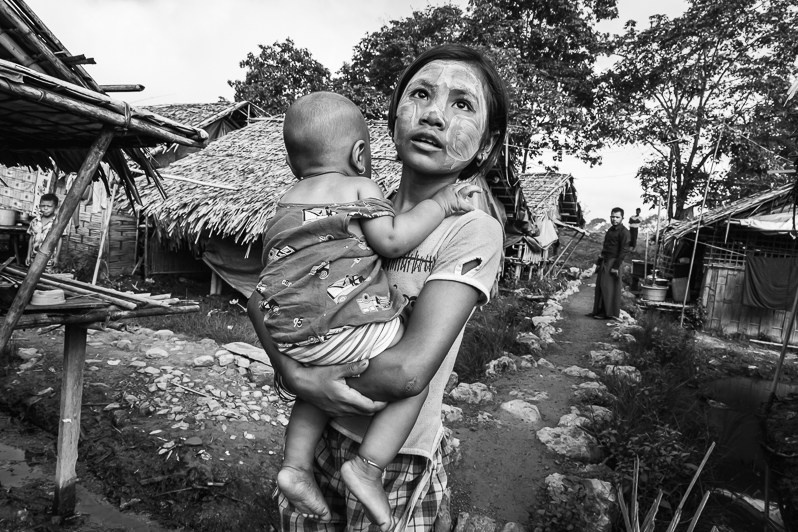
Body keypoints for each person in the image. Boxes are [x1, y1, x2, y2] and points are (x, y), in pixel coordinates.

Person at [247, 43, 508, 532]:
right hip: (322, 437)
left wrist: (308, 382)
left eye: (462, 103)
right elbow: (259, 298)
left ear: (486, 143)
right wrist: (295, 377)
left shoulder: (471, 230)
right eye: (421, 94)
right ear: (392, 119)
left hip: (397, 459)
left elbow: (409, 372)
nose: (434, 114)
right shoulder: (360, 208)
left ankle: (345, 467)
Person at [589, 207, 630, 320]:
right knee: (600, 286)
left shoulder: (624, 232)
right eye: (612, 217)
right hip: (605, 261)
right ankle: (597, 310)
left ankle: (608, 313)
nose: (614, 219)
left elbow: (624, 251)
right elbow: (605, 247)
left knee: (609, 288)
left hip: (614, 262)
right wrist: (598, 263)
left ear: (622, 218)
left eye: (617, 217)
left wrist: (615, 267)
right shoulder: (610, 230)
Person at [26, 193, 63, 272]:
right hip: (34, 258)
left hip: (49, 259)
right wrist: (28, 256)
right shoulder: (35, 221)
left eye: (49, 206)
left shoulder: (57, 222)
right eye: (43, 206)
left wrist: (56, 257)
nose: (45, 208)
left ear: (55, 207)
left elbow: (59, 240)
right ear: (39, 206)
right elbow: (31, 238)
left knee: (46, 276)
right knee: (32, 274)